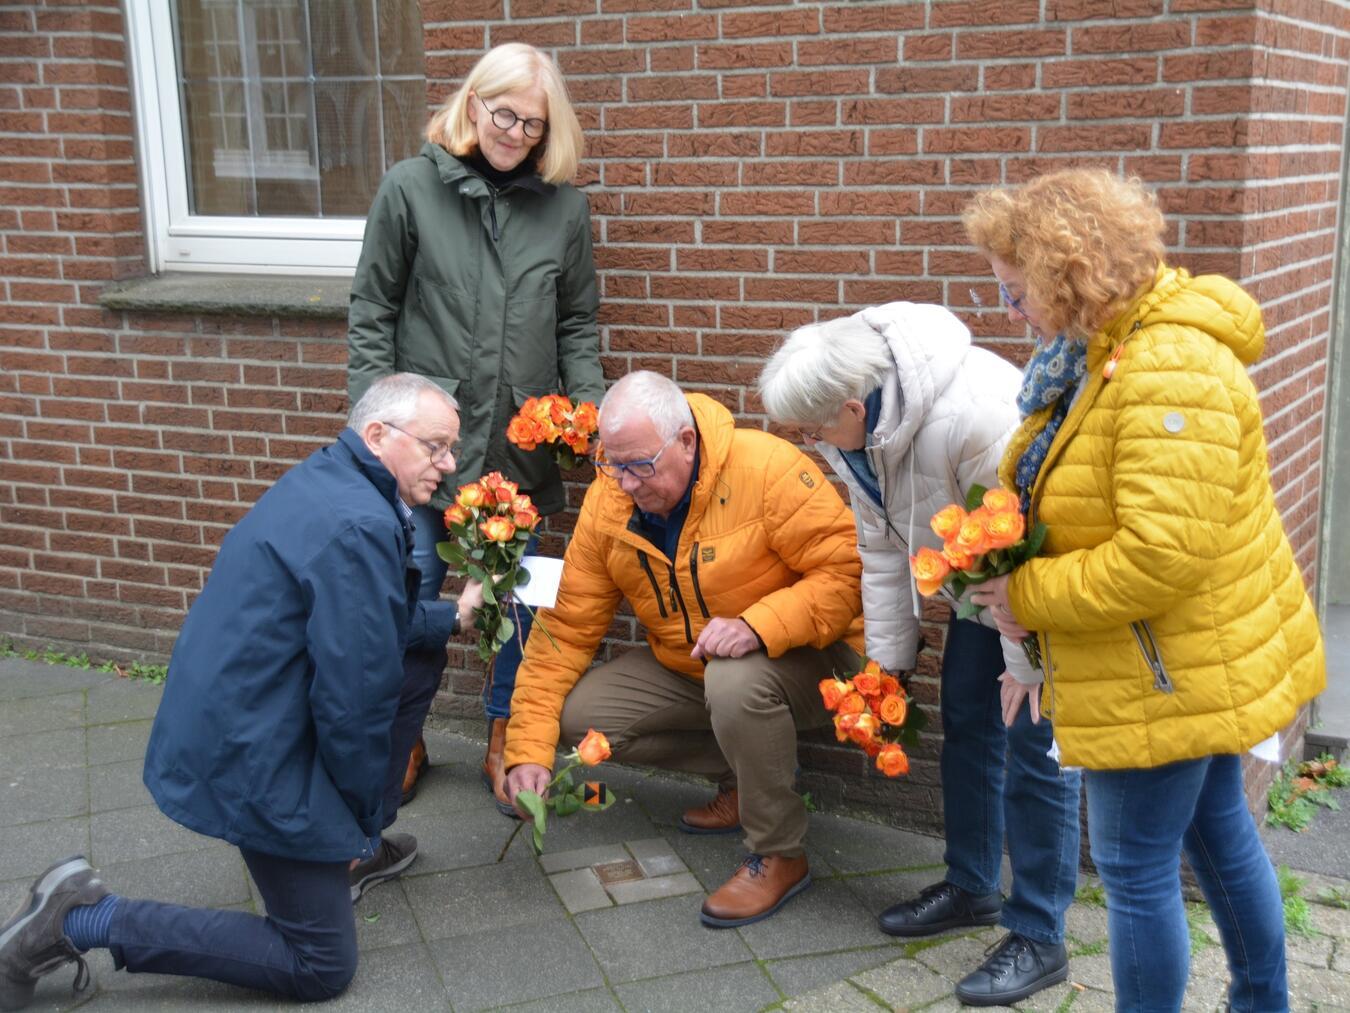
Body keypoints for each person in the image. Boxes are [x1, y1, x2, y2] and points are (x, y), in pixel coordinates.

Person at [963, 168, 1326, 1013]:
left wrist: (1029, 596)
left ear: (1069, 276)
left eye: (1017, 294)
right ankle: (1261, 1001)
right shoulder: (1110, 351)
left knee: (1134, 869)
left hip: (1162, 668)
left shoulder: (1166, 368)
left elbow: (1162, 556)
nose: (1010, 312)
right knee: (1214, 830)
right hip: (1173, 658)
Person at [0, 374, 484, 1007]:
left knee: (418, 660)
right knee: (319, 965)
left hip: (239, 710)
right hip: (256, 746)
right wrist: (360, 815)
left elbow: (359, 621)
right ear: (377, 435)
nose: (448, 465)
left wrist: (449, 617)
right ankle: (79, 917)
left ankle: (346, 853)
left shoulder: (331, 479)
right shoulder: (362, 523)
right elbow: (355, 702)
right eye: (436, 447)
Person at [758, 304, 1082, 1007]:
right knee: (967, 720)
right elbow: (878, 545)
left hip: (1035, 583)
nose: (810, 440)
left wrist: (1024, 665)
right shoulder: (852, 429)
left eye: (815, 428)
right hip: (979, 582)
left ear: (853, 403)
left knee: (1034, 737)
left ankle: (1040, 930)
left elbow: (1017, 542)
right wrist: (888, 667)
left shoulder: (974, 417)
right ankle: (972, 885)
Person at [503, 371, 865, 927]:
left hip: (810, 658)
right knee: (580, 718)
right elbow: (566, 629)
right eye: (611, 463)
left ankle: (779, 852)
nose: (624, 482)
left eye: (639, 465)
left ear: (686, 442)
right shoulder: (609, 505)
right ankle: (745, 777)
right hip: (693, 665)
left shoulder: (764, 468)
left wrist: (758, 624)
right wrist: (527, 749)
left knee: (736, 682)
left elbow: (845, 575)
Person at [347, 42, 605, 815]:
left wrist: (584, 406)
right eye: (505, 114)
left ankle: (504, 737)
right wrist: (379, 424)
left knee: (515, 602)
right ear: (472, 103)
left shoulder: (562, 207)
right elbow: (373, 312)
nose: (517, 133)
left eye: (534, 122)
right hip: (427, 453)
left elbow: (578, 321)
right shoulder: (410, 189)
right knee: (415, 588)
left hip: (517, 452)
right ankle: (404, 737)